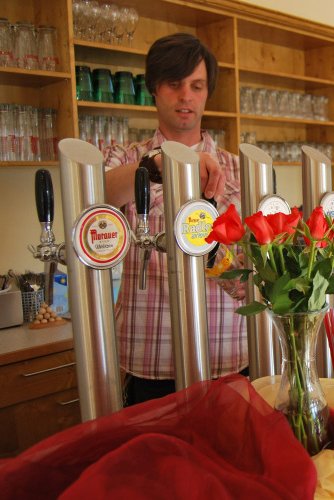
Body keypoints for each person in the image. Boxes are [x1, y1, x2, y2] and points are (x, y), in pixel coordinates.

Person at [103, 33, 247, 405]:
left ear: (207, 92)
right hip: (152, 356)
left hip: (228, 353)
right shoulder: (126, 158)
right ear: (154, 88)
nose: (186, 96)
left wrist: (219, 258)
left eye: (196, 86)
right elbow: (98, 199)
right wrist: (160, 165)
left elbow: (248, 273)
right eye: (174, 84)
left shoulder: (238, 169)